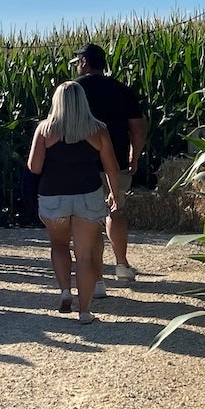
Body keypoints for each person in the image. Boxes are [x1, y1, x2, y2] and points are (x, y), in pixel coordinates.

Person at [26, 82, 121, 324]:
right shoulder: (97, 130)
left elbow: (34, 167)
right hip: (87, 195)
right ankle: (85, 311)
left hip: (53, 196)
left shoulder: (45, 130)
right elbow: (111, 166)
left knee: (59, 246)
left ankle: (65, 291)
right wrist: (114, 192)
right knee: (85, 256)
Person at [72, 43, 148, 287]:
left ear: (84, 62)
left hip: (83, 164)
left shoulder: (73, 91)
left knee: (90, 220)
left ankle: (97, 278)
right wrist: (134, 157)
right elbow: (137, 129)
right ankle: (122, 265)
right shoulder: (121, 90)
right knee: (115, 211)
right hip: (116, 162)